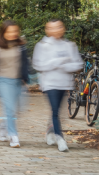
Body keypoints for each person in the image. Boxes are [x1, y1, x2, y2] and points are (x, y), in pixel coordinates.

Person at [33, 19, 83, 152]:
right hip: (49, 83)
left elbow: (77, 64)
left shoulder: (69, 45)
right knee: (55, 110)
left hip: (64, 83)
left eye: (59, 27)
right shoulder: (42, 45)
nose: (56, 30)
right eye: (52, 28)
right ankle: (60, 138)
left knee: (58, 111)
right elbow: (38, 64)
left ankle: (50, 130)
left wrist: (64, 65)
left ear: (63, 28)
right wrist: (58, 62)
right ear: (47, 30)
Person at [0, 20, 30, 148]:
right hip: (2, 80)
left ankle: (2, 127)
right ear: (3, 32)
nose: (12, 34)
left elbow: (25, 63)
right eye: (9, 31)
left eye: (15, 31)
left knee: (18, 109)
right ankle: (13, 136)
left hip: (17, 80)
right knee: (10, 108)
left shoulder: (21, 46)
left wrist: (25, 79)